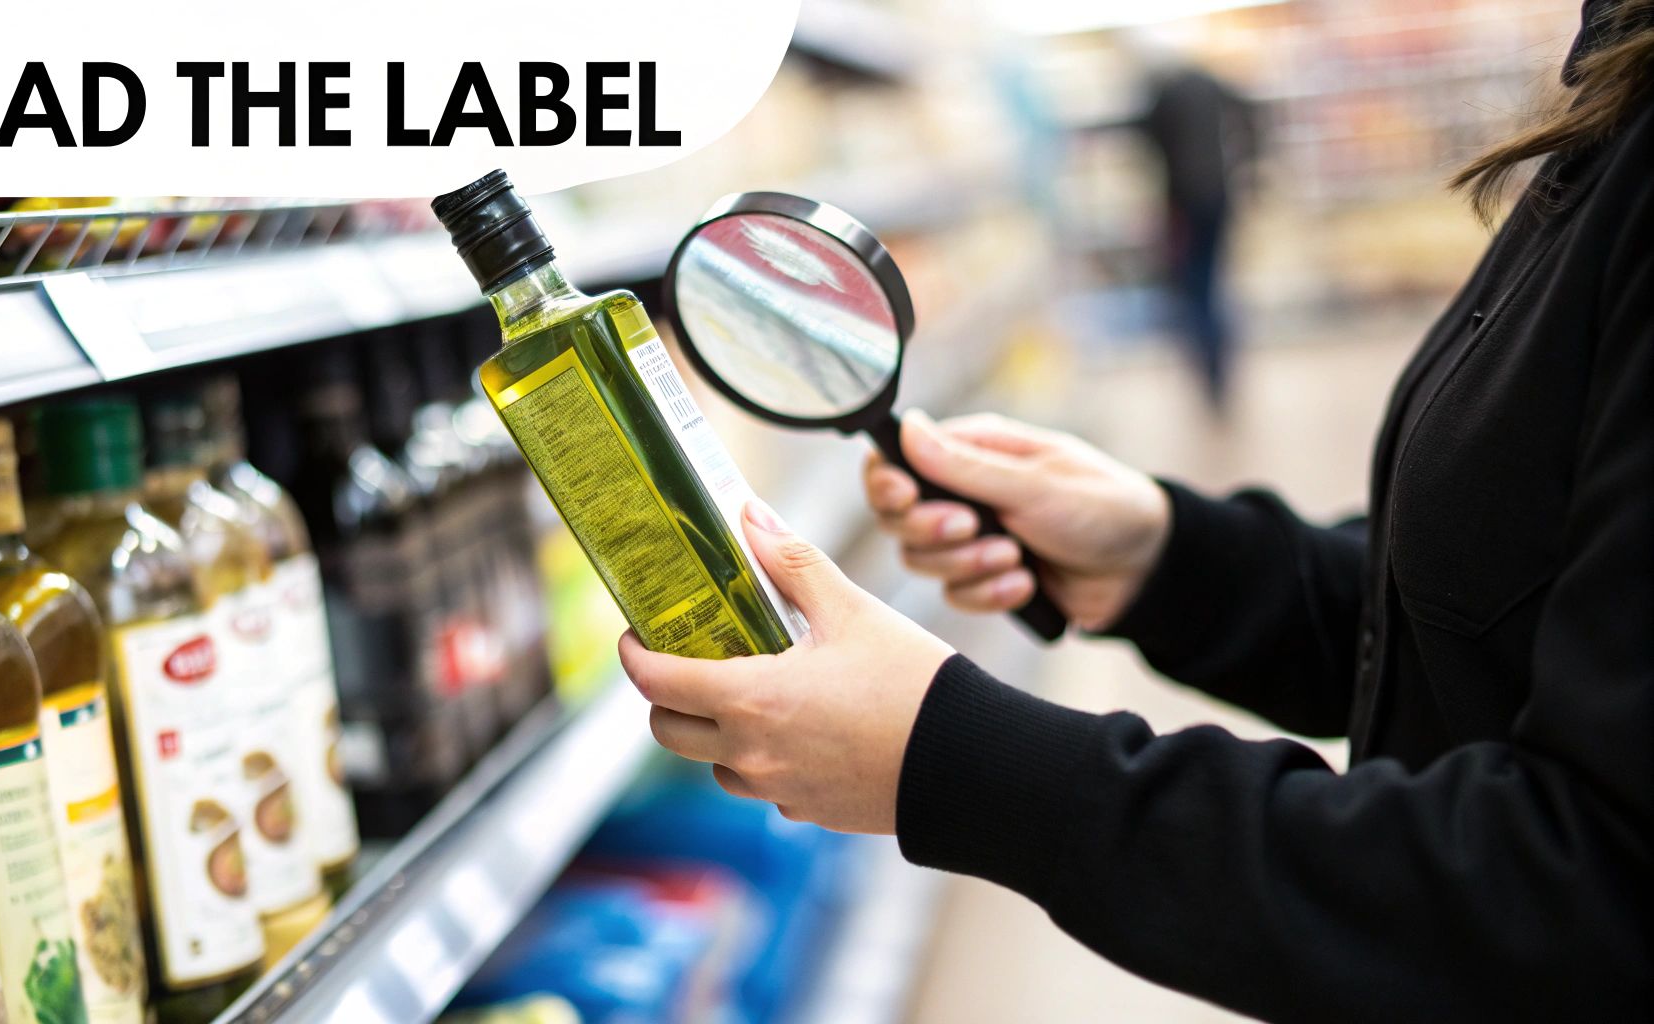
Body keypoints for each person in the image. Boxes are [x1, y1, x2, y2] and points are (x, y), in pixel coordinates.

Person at [617, 1, 1653, 1018]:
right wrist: (1166, 555)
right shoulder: (1616, 89)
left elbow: (1590, 898)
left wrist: (954, 757)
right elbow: (1503, 626)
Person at [1132, 45, 1258, 411]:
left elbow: (1146, 141)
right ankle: (1221, 371)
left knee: (1194, 288)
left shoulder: (1161, 94)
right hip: (1221, 194)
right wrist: (1249, 163)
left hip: (1183, 203)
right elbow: (1250, 113)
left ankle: (1209, 373)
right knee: (1215, 281)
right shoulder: (1211, 83)